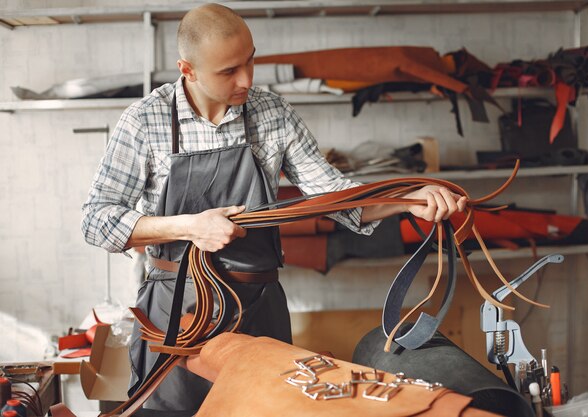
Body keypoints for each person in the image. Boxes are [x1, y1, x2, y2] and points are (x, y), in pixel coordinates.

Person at [81, 3, 467, 412]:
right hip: (178, 312)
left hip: (258, 310)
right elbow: (97, 221)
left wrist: (408, 200)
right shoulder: (145, 121)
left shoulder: (272, 113)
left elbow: (333, 197)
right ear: (187, 69)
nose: (246, 79)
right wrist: (190, 226)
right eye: (228, 71)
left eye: (250, 62)